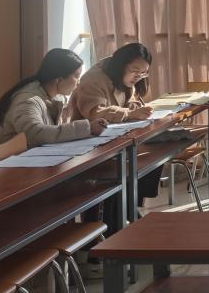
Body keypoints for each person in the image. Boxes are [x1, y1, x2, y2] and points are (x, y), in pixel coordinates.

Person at [69, 43, 166, 207]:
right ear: (121, 65)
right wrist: (129, 113)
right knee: (133, 163)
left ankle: (132, 205)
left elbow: (129, 101)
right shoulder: (94, 79)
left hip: (114, 137)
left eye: (144, 73)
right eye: (135, 71)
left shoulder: (123, 76)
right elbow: (95, 113)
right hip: (90, 141)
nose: (138, 76)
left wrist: (136, 108)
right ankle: (124, 209)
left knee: (156, 150)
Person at [0, 48, 108, 146]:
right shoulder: (28, 101)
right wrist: (87, 128)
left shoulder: (56, 97)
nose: (79, 82)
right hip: (9, 162)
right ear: (59, 79)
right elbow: (35, 134)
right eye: (77, 76)